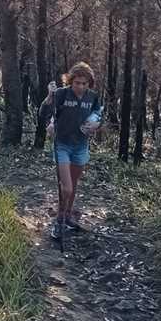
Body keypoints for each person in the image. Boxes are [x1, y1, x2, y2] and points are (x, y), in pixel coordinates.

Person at [39, 62, 102, 240]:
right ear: (70, 81)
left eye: (84, 83)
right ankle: (60, 217)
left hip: (81, 146)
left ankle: (66, 217)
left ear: (89, 83)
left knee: (73, 185)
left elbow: (98, 114)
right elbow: (43, 112)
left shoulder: (93, 97)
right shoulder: (61, 94)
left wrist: (96, 124)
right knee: (65, 187)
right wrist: (49, 99)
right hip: (62, 144)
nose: (80, 87)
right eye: (77, 83)